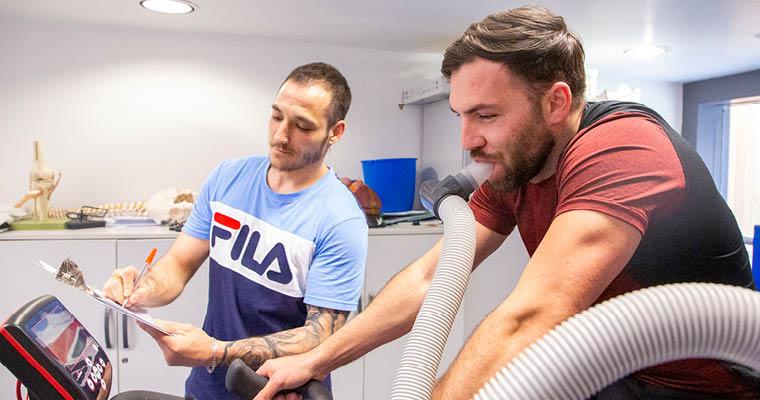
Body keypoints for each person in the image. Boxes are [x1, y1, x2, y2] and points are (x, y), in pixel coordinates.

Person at [253, 6, 759, 400]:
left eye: (486, 114)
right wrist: (317, 359)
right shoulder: (519, 165)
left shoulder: (622, 148)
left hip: (702, 386)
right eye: (461, 115)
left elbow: (533, 314)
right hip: (612, 369)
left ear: (556, 103)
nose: (468, 139)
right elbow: (434, 277)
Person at [102, 62, 368, 400]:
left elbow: (320, 335)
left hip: (273, 393)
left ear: (336, 131)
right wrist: (142, 288)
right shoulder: (228, 178)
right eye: (276, 116)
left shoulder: (341, 219)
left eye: (302, 125)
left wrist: (215, 351)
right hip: (206, 389)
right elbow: (179, 264)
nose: (281, 135)